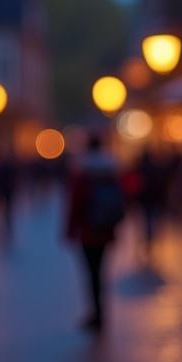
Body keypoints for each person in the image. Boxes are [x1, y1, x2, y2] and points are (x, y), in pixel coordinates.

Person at [66, 134, 125, 332]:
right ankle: (102, 312)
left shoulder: (83, 172)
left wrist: (70, 229)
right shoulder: (111, 171)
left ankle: (96, 313)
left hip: (88, 231)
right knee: (102, 270)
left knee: (91, 272)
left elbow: (76, 204)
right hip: (106, 229)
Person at [136, 149, 167, 261]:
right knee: (151, 220)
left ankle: (147, 240)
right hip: (153, 200)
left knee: (146, 220)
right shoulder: (155, 169)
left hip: (144, 200)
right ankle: (150, 240)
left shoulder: (140, 168)